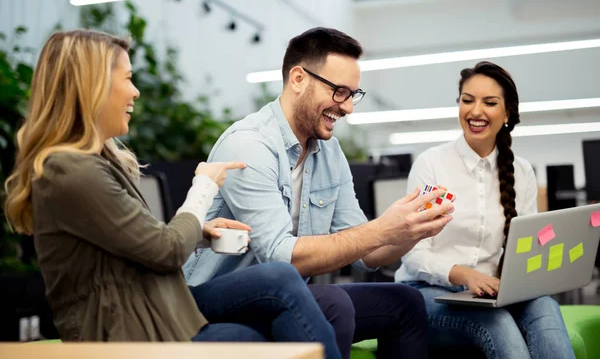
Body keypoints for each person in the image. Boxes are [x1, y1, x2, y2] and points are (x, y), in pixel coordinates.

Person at [3, 29, 342, 357]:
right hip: (124, 331)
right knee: (255, 324)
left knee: (278, 289)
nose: (134, 92)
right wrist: (204, 187)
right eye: (127, 79)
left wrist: (200, 235)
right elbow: (164, 251)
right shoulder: (70, 171)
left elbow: (136, 244)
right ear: (92, 87)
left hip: (150, 310)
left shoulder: (88, 164)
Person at [183, 27, 454, 359]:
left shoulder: (329, 153)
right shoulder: (249, 144)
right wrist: (383, 228)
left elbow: (365, 253)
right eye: (340, 91)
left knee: (404, 302)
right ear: (298, 79)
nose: (349, 107)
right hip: (209, 297)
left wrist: (410, 230)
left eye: (354, 94)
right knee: (334, 301)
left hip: (285, 295)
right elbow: (282, 257)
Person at [395, 61, 575, 358]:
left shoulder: (521, 171)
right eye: (467, 101)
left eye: (489, 103)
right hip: (427, 292)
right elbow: (413, 255)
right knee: (497, 324)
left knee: (545, 308)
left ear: (506, 114)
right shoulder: (433, 165)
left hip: (490, 293)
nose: (475, 111)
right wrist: (465, 275)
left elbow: (526, 248)